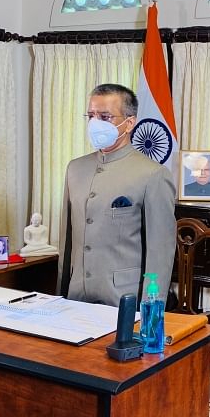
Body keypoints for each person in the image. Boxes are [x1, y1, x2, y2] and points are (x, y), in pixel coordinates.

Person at [57, 83, 176, 307]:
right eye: (91, 115)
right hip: (76, 296)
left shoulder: (153, 174)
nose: (95, 123)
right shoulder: (75, 168)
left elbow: (160, 253)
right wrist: (61, 296)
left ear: (129, 123)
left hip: (123, 300)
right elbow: (68, 241)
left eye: (105, 117)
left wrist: (149, 313)